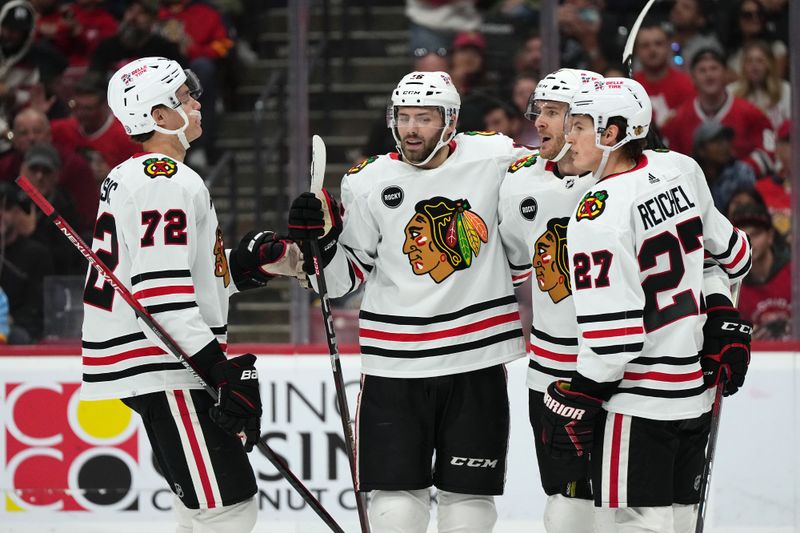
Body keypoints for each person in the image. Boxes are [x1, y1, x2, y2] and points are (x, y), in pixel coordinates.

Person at [288, 71, 531, 533]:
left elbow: (547, 191)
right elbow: (344, 277)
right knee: (395, 503)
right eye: (403, 117)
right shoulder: (366, 180)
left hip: (475, 358)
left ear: (451, 120)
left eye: (424, 117)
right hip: (394, 365)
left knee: (470, 499)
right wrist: (318, 247)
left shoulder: (497, 156)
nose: (411, 129)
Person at [82, 57, 306, 533]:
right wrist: (219, 373)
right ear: (158, 116)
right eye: (184, 96)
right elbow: (161, 296)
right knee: (228, 508)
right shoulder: (165, 180)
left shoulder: (134, 175)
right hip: (169, 367)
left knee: (200, 508)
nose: (197, 102)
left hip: (160, 364)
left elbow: (182, 278)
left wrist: (251, 265)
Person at [541, 77, 752, 531]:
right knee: (677, 521)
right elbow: (736, 256)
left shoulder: (596, 214)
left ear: (611, 133)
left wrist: (582, 392)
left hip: (636, 404)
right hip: (692, 394)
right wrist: (722, 315)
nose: (567, 137)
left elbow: (615, 340)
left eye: (578, 126)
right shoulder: (680, 169)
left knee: (635, 524)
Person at [497, 68, 605, 533]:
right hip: (550, 369)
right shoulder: (519, 181)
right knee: (566, 506)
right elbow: (519, 263)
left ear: (586, 121)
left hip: (622, 364)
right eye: (538, 110)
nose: (539, 121)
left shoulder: (630, 178)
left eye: (554, 113)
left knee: (629, 502)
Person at [661, 47, 773, 177]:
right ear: (692, 78)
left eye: (714, 68)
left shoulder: (751, 113)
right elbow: (670, 162)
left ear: (725, 74)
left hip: (742, 191)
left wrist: (740, 173)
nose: (709, 75)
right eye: (702, 70)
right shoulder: (678, 120)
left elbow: (768, 152)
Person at [0, 108, 96, 232]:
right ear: (15, 139)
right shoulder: (4, 166)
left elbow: (88, 218)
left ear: (49, 135)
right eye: (24, 133)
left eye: (37, 131)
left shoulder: (74, 165)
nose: (31, 138)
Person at [50, 72, 139, 185]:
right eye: (77, 106)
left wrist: (114, 176)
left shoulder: (126, 137)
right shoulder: (63, 129)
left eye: (88, 109)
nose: (81, 114)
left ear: (105, 105)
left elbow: (138, 178)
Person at [0, 181, 54, 344]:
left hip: (19, 335)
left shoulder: (36, 254)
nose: (0, 214)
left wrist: (9, 323)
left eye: (7, 208)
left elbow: (39, 309)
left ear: (18, 213)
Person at [731, 203, 791, 340]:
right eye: (743, 235)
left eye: (756, 234)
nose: (749, 241)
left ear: (770, 236)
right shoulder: (732, 284)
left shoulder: (794, 272)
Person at [632, 22, 696, 128]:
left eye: (658, 43)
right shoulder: (630, 88)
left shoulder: (686, 84)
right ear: (636, 51)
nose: (652, 50)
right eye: (645, 46)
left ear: (668, 47)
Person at [692, 121, 756, 211]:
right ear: (701, 150)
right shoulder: (690, 177)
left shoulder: (742, 172)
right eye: (717, 141)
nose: (725, 145)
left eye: (727, 140)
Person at [728, 40, 791, 130]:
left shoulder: (786, 90)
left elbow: (793, 126)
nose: (754, 66)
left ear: (770, 64)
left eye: (760, 61)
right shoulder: (731, 91)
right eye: (749, 61)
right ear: (743, 66)